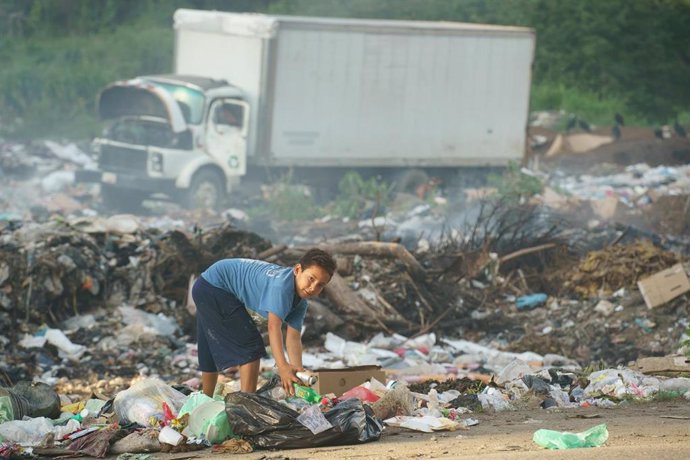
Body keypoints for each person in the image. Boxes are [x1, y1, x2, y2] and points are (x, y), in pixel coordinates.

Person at [192, 248, 336, 397]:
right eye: (311, 278)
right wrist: (282, 367)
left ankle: (205, 399)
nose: (313, 287)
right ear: (298, 270)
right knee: (251, 348)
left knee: (209, 346)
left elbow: (293, 337)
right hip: (215, 287)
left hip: (206, 285)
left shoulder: (300, 302)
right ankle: (246, 406)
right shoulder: (281, 287)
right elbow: (274, 327)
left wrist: (297, 371)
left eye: (320, 285)